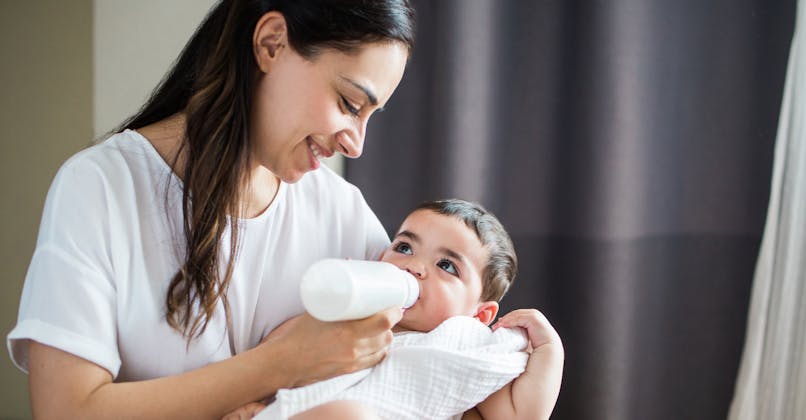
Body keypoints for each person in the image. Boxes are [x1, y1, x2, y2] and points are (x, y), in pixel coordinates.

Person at [7, 1, 415, 418]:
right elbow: (65, 411)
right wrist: (283, 362)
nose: (356, 144)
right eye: (349, 104)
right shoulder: (101, 187)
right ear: (271, 44)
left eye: (370, 116)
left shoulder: (343, 214)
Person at [230, 199, 564, 419]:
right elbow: (274, 357)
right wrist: (254, 406)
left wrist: (551, 351)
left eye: (446, 266)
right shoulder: (342, 320)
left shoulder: (464, 348)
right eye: (404, 247)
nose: (414, 266)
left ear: (479, 316)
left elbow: (521, 416)